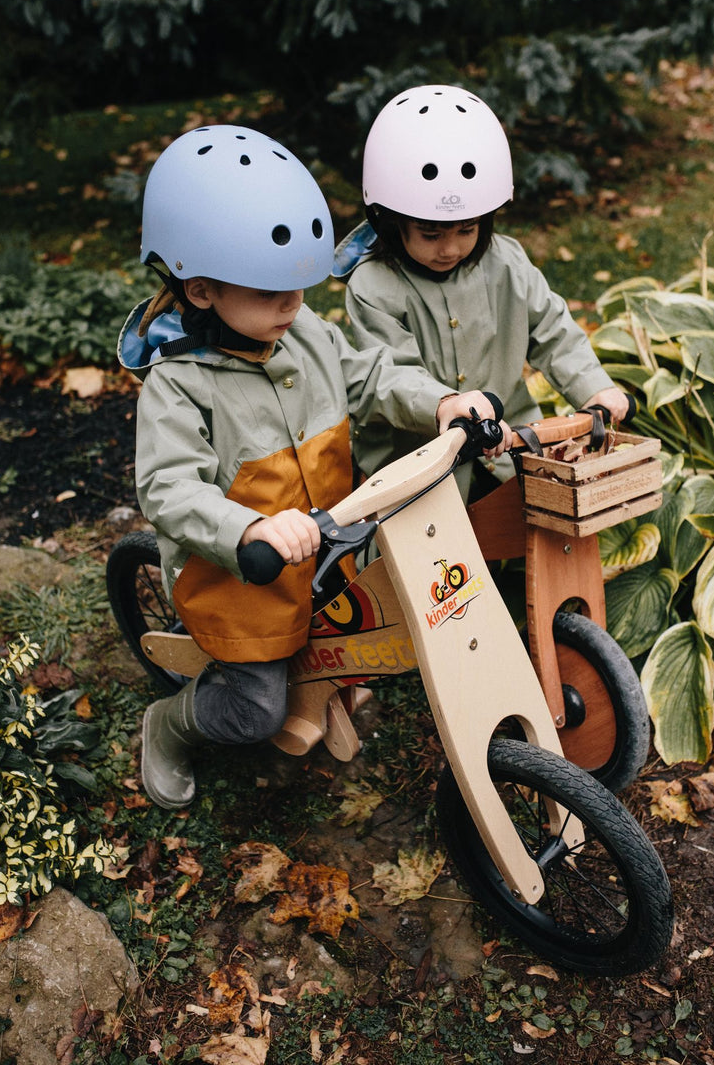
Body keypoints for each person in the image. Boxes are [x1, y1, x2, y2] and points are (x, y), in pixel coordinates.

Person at [117, 123, 508, 809]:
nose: (293, 307)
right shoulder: (180, 385)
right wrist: (246, 532)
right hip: (247, 580)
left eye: (299, 289)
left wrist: (441, 399)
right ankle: (171, 724)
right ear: (202, 290)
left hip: (328, 557)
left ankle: (320, 690)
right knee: (256, 711)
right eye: (271, 293)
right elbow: (168, 487)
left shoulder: (305, 333)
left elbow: (370, 374)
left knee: (367, 634)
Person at [335, 84, 628, 501]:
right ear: (390, 220)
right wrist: (443, 403)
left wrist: (593, 389)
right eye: (431, 233)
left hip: (512, 451)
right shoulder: (374, 286)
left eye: (467, 229)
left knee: (544, 537)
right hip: (419, 467)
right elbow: (387, 375)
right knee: (431, 562)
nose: (450, 248)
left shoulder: (507, 263)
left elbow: (553, 328)